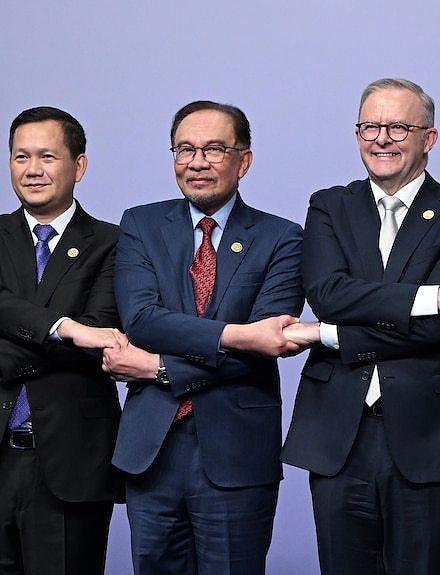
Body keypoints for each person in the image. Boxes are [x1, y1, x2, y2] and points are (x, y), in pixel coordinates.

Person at [280, 78, 440, 575]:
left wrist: (326, 333)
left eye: (398, 126)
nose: (382, 138)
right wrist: (430, 296)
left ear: (429, 138)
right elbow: (327, 294)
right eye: (369, 127)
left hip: (433, 431)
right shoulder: (329, 205)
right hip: (338, 432)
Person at [101, 100, 304, 574]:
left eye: (214, 149)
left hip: (237, 450)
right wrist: (236, 333)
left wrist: (159, 368)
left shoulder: (282, 237)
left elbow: (266, 345)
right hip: (152, 450)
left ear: (244, 160)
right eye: (185, 149)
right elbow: (143, 321)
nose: (197, 162)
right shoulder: (141, 224)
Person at [0, 106, 124, 573]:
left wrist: (23, 330)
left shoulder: (113, 242)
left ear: (79, 165)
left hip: (71, 461)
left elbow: (102, 331)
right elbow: (78, 335)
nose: (32, 170)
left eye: (47, 156)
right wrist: (63, 328)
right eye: (20, 157)